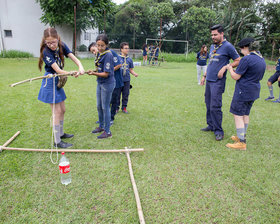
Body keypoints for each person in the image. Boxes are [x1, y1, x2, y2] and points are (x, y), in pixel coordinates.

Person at [38, 27, 85, 148]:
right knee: (56, 112)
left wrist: (80, 67)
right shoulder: (46, 52)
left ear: (57, 38)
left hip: (58, 80)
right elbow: (58, 70)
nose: (51, 45)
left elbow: (73, 57)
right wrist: (71, 73)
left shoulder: (61, 45)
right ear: (45, 42)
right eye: (48, 43)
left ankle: (61, 133)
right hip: (50, 81)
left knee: (62, 109)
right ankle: (57, 141)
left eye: (53, 42)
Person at [200, 24, 240, 141]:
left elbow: (238, 60)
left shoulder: (228, 46)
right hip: (209, 80)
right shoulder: (213, 46)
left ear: (222, 34)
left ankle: (219, 131)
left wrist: (225, 67)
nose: (213, 37)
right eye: (212, 35)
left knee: (215, 106)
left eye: (215, 34)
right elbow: (211, 63)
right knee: (208, 104)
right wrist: (204, 76)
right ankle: (211, 125)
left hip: (218, 81)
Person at [225, 38, 266, 150]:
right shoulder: (261, 59)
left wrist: (230, 69)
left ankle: (242, 143)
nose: (241, 51)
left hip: (243, 91)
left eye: (241, 49)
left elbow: (236, 76)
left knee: (237, 115)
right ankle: (241, 136)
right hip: (254, 90)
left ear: (245, 47)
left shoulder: (246, 59)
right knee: (245, 114)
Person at [87, 34, 115, 139]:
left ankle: (107, 132)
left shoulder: (108, 55)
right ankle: (101, 126)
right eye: (98, 45)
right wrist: (93, 71)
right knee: (99, 106)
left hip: (107, 83)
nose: (99, 48)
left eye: (102, 46)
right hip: (100, 82)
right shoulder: (99, 54)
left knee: (105, 107)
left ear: (106, 45)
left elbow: (106, 73)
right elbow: (100, 69)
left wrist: (93, 74)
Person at [117, 42, 139, 114]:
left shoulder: (129, 59)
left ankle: (124, 107)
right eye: (125, 48)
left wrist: (134, 74)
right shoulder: (117, 58)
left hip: (126, 80)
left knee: (126, 94)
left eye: (128, 48)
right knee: (117, 94)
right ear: (121, 49)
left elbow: (130, 69)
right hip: (118, 80)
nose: (127, 50)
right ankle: (116, 108)